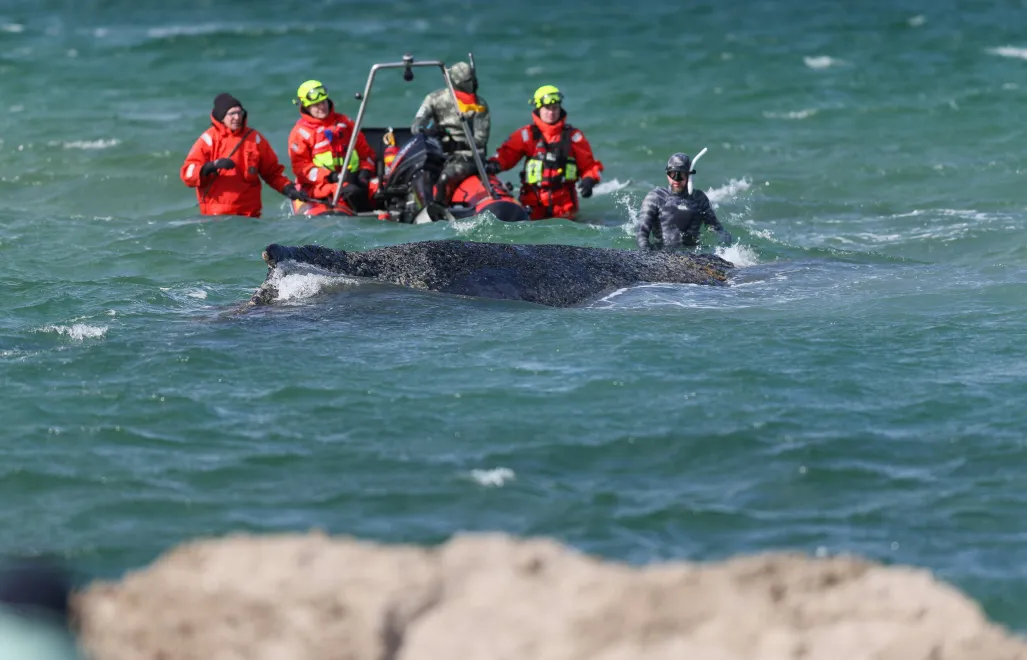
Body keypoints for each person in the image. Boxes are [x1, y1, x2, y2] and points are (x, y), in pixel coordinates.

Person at [485, 84, 603, 221]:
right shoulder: (526, 135)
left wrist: (590, 180)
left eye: (555, 108)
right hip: (532, 207)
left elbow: (590, 166)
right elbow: (506, 156)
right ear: (538, 109)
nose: (551, 112)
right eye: (547, 108)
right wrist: (493, 165)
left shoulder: (574, 137)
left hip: (565, 209)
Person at [180, 93, 307, 217]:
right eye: (232, 114)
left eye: (239, 113)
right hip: (216, 218)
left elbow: (272, 173)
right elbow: (187, 173)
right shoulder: (208, 139)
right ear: (221, 116)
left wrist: (289, 190)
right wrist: (211, 166)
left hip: (249, 217)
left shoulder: (254, 139)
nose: (237, 117)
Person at [287, 79, 377, 215]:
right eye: (315, 105)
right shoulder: (300, 134)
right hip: (320, 186)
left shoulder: (345, 123)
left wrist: (365, 171)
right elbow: (302, 169)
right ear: (306, 107)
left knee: (378, 189)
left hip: (353, 177)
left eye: (323, 102)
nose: (321, 107)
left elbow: (366, 153)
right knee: (351, 193)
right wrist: (332, 177)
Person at [410, 61, 490, 205]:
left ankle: (440, 209)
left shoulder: (479, 105)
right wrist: (425, 130)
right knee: (421, 173)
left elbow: (480, 139)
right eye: (466, 82)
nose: (470, 85)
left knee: (444, 178)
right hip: (439, 151)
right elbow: (417, 122)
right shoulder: (435, 99)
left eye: (471, 81)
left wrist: (453, 144)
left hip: (468, 157)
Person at [636, 152, 732, 251]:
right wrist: (647, 256)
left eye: (681, 174)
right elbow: (641, 234)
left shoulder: (699, 199)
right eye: (673, 174)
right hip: (662, 255)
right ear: (667, 174)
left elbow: (718, 229)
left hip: (693, 256)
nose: (676, 179)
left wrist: (724, 248)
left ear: (689, 175)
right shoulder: (656, 197)